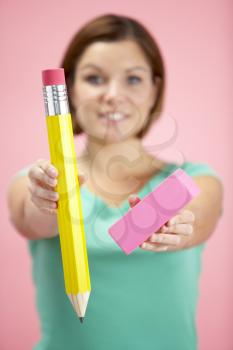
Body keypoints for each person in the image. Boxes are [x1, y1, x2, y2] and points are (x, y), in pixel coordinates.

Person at [7, 13, 223, 350]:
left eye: (133, 79)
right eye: (94, 78)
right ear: (70, 91)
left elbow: (199, 216)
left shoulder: (197, 179)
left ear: (155, 89)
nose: (112, 95)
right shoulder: (34, 181)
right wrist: (48, 201)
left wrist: (176, 228)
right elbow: (34, 220)